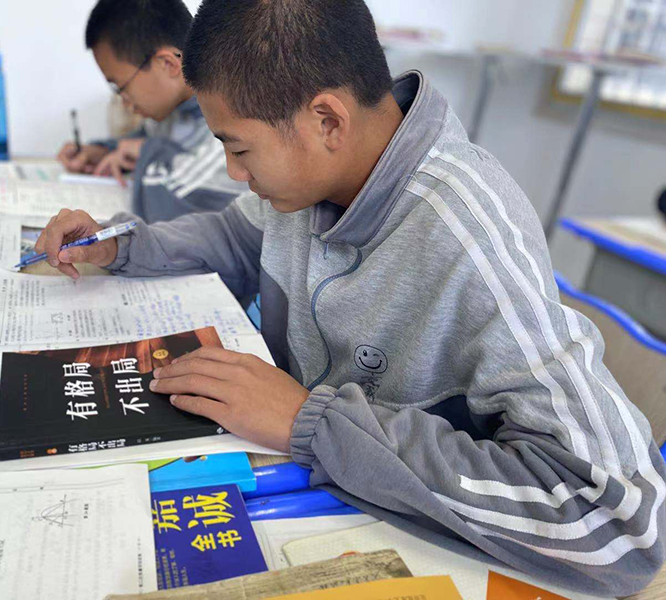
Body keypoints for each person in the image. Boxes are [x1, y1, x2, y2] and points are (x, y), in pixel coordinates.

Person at [36, 0, 666, 594]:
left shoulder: (466, 236)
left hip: (412, 535)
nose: (233, 172)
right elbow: (231, 236)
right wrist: (120, 245)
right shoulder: (310, 179)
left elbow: (620, 527)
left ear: (327, 120)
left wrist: (310, 422)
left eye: (238, 147)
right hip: (321, 480)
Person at [56, 0, 244, 222]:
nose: (123, 101)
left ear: (168, 64)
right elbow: (140, 140)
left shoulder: (232, 111)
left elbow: (185, 193)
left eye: (120, 87)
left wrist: (146, 151)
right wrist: (100, 152)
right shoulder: (169, 110)